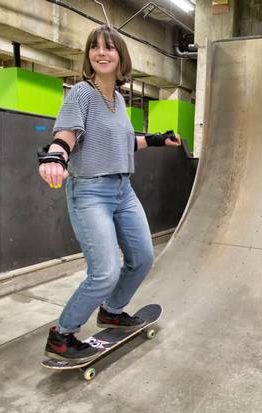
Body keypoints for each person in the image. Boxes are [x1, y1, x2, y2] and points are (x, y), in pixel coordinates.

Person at [37, 24, 181, 362]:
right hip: (91, 192)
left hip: (123, 190)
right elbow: (67, 134)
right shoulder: (82, 93)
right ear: (89, 55)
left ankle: (112, 310)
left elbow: (124, 143)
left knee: (143, 258)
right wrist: (56, 155)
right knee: (104, 272)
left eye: (109, 47)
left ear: (121, 57)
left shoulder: (117, 99)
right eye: (95, 47)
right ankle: (63, 334)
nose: (101, 53)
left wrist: (158, 139)